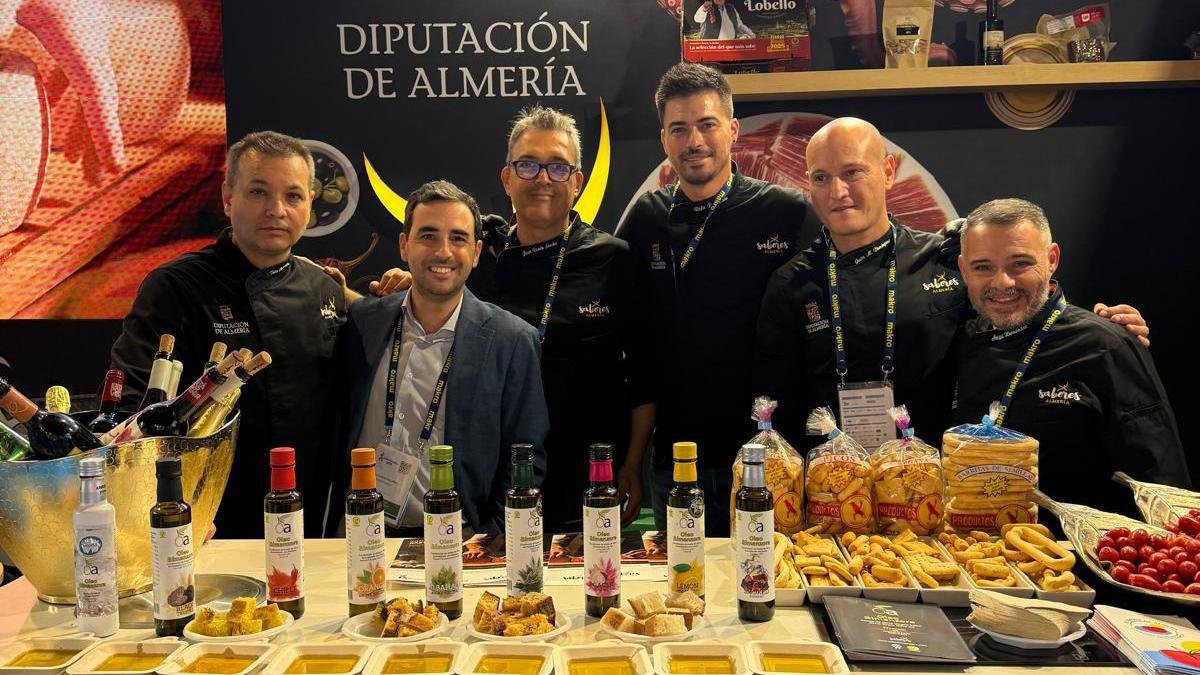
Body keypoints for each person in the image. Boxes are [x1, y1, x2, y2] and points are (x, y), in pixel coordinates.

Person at [755, 118, 1151, 455]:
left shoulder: (944, 258)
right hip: (833, 482)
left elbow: (1016, 315)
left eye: (852, 172)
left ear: (889, 171)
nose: (837, 192)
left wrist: (1100, 329)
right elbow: (776, 403)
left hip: (939, 478)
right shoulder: (791, 283)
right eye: (821, 178)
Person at [108, 130, 407, 539]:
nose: (277, 210)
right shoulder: (176, 286)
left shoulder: (322, 288)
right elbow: (133, 412)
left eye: (294, 196)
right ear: (228, 197)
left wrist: (404, 296)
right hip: (209, 516)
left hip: (308, 508)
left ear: (309, 205)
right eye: (258, 193)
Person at [617, 62, 823, 535]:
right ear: (664, 139)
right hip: (676, 457)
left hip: (766, 455)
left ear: (731, 130)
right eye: (679, 128)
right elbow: (635, 352)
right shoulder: (645, 218)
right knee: (682, 588)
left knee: (766, 585)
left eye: (707, 124)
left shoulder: (786, 213)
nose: (694, 141)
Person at [469, 106, 651, 530]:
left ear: (577, 181)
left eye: (557, 166)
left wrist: (634, 463)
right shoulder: (480, 258)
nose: (543, 179)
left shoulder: (612, 258)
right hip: (495, 480)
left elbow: (646, 372)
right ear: (507, 178)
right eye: (528, 165)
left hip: (590, 478)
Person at [335, 179, 549, 536]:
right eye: (428, 236)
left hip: (457, 541)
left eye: (458, 238)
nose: (443, 251)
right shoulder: (363, 323)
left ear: (477, 252)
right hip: (359, 536)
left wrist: (492, 537)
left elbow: (525, 458)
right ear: (404, 245)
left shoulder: (512, 341)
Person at [951, 198, 1189, 513]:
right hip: (970, 546)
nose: (1002, 282)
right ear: (963, 269)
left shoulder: (1106, 344)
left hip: (1078, 555)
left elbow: (1161, 480)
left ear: (1051, 259)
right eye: (983, 267)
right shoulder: (955, 341)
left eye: (1019, 263)